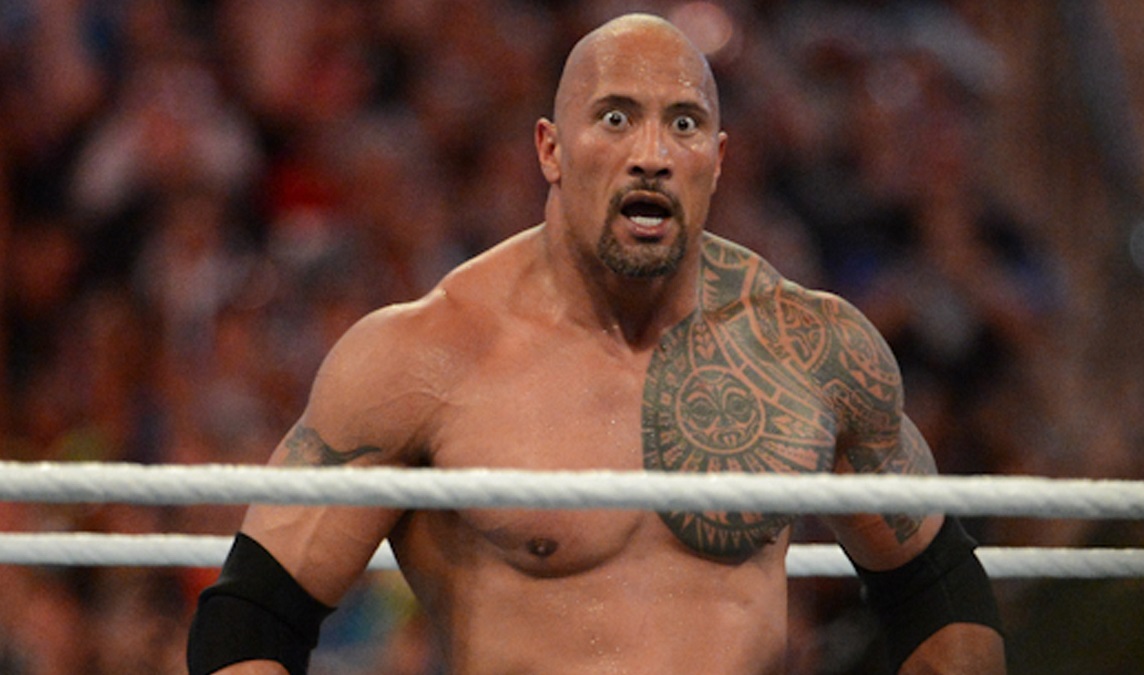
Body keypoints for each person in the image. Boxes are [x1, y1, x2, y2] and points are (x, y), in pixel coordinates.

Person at [187, 13, 1005, 675]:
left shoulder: (809, 348)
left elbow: (935, 585)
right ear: (550, 147)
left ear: (716, 162)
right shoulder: (425, 355)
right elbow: (253, 619)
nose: (650, 154)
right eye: (616, 118)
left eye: (682, 124)